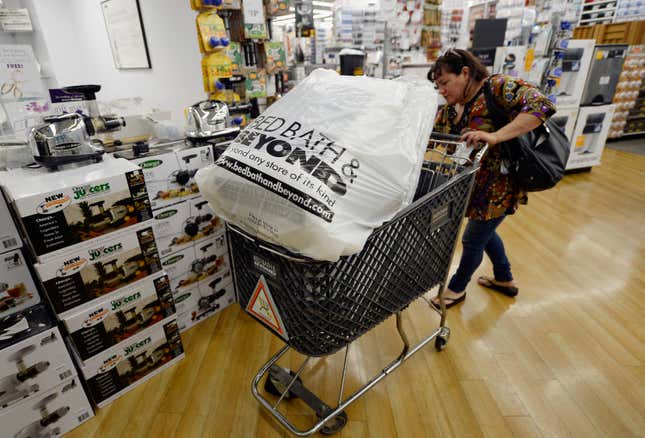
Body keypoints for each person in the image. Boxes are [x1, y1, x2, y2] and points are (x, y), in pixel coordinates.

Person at [427, 48, 556, 309]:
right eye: (437, 85)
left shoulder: (496, 87)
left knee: (473, 239)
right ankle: (504, 279)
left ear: (465, 72)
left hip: (500, 185)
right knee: (485, 232)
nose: (441, 90)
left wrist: (496, 136)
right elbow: (432, 135)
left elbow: (542, 105)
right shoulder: (452, 110)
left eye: (445, 82)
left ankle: (456, 289)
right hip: (470, 186)